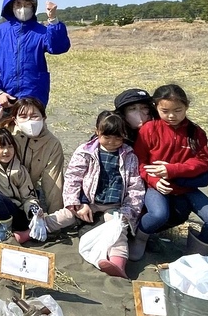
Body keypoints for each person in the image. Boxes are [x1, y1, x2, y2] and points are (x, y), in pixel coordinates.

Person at [30, 112, 145, 278]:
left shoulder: (129, 156)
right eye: (107, 137)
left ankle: (118, 264)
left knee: (117, 229)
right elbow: (73, 178)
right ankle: (31, 232)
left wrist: (128, 211)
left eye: (118, 138)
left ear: (124, 136)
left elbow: (135, 187)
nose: (112, 142)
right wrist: (76, 202)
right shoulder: (85, 151)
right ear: (97, 131)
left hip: (114, 206)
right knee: (64, 216)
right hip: (88, 201)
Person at [131, 84, 208, 259]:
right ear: (156, 108)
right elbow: (140, 162)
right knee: (159, 214)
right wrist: (154, 181)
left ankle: (194, 254)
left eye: (178, 110)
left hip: (186, 188)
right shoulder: (149, 129)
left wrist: (172, 169)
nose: (172, 116)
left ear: (186, 106)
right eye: (165, 110)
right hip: (157, 186)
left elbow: (203, 162)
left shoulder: (195, 132)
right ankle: (140, 239)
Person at [0, 0, 70, 109]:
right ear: (11, 6)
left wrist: (53, 20)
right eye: (18, 4)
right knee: (2, 128)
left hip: (33, 95)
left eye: (27, 4)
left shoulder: (41, 31)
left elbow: (58, 47)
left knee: (32, 127)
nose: (22, 8)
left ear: (33, 6)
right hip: (5, 96)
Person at [0, 98, 65, 214]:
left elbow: (54, 183)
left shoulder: (52, 144)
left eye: (34, 116)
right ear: (15, 120)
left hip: (25, 194)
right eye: (23, 116)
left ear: (43, 118)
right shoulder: (3, 131)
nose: (29, 121)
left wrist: (55, 219)